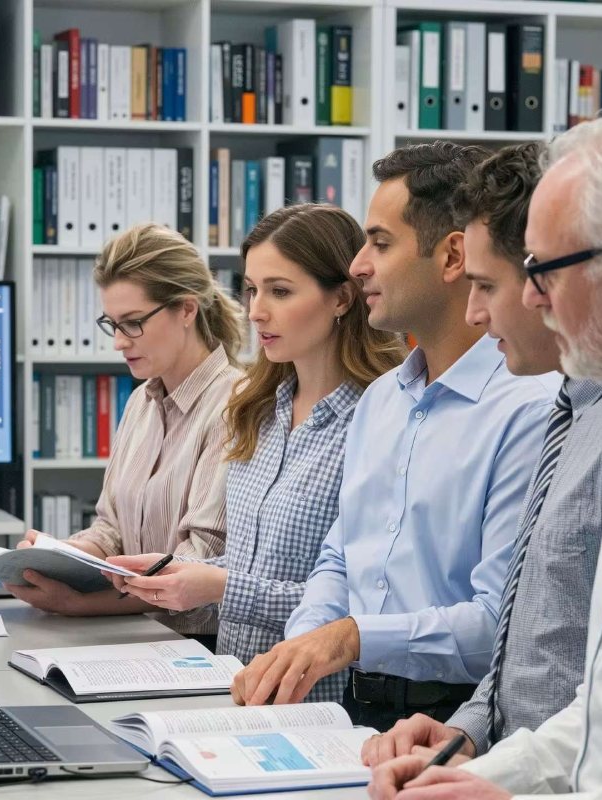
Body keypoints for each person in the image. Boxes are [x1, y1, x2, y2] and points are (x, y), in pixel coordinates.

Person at [229, 141, 559, 729]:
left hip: (454, 720)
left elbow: (500, 624)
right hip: (349, 708)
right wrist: (300, 650)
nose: (358, 265)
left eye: (380, 243)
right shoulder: (382, 400)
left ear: (453, 255)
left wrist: (352, 637)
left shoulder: (525, 410)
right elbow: (341, 555)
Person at [368, 110, 602, 800]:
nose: (531, 300)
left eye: (544, 272)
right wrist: (473, 745)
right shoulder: (576, 402)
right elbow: (596, 702)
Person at [107, 204, 406, 702]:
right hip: (235, 691)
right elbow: (253, 557)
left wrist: (219, 586)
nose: (256, 311)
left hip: (322, 706)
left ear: (342, 298)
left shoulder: (376, 421)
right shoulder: (256, 410)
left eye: (280, 291)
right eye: (251, 289)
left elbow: (368, 605)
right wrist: (179, 572)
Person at [6, 223, 245, 648]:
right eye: (111, 323)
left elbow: (199, 564)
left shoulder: (234, 406)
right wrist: (59, 555)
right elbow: (111, 528)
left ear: (187, 310)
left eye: (132, 323)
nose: (118, 342)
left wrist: (82, 604)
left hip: (192, 646)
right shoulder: (141, 403)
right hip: (129, 633)